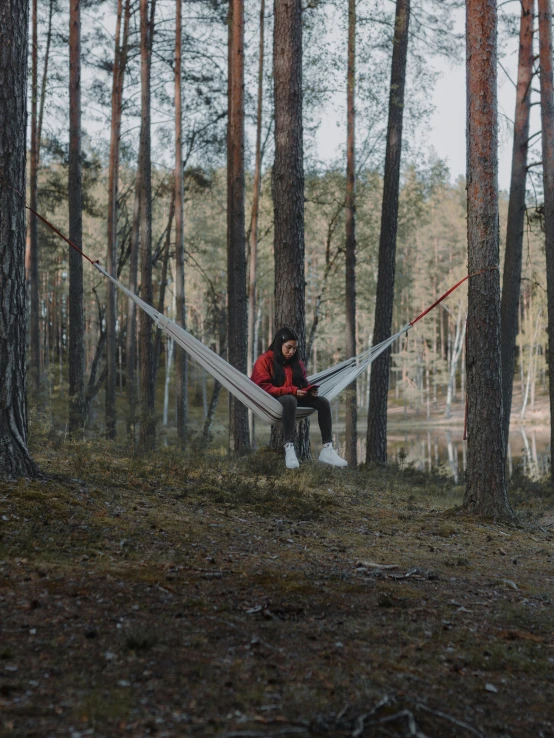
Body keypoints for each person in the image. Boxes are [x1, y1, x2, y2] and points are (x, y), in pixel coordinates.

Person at [251, 326, 348, 469]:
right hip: (272, 399)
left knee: (322, 402)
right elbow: (262, 387)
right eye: (288, 347)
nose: (291, 352)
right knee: (290, 399)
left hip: (294, 396)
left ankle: (327, 449)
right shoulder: (264, 360)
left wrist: (308, 391)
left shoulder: (297, 364)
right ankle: (289, 448)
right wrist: (292, 391)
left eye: (294, 348)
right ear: (279, 345)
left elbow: (302, 384)